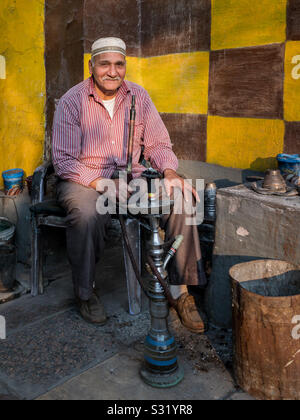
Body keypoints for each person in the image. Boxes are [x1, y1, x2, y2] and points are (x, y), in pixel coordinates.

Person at [52, 37, 207, 333]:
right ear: (91, 66)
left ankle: (180, 293)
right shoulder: (73, 101)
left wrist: (170, 171)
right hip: (83, 178)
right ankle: (85, 293)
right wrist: (99, 183)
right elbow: (64, 160)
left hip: (130, 179)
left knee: (182, 199)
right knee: (86, 213)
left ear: (125, 66)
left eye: (119, 64)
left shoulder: (139, 96)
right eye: (105, 64)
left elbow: (159, 143)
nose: (112, 71)